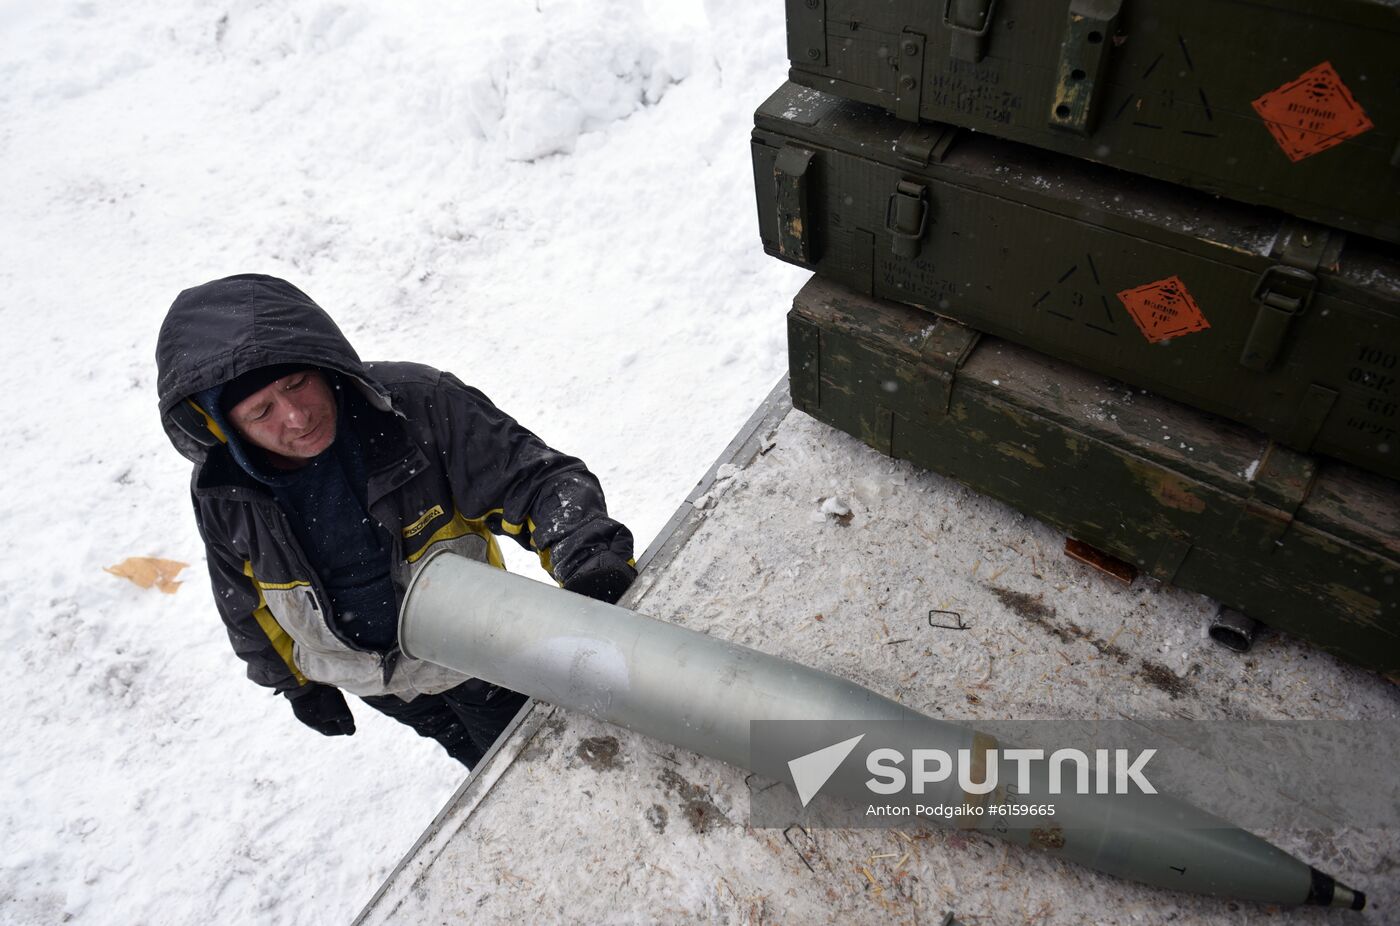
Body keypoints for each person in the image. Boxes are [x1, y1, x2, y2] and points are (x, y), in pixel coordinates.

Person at [155, 274, 636, 767]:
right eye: (262, 411)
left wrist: (588, 555)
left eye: (297, 383)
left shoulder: (416, 406)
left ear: (322, 362)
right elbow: (243, 596)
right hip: (374, 681)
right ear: (224, 428)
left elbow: (534, 483)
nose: (296, 417)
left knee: (531, 763)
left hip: (473, 654)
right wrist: (293, 685)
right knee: (469, 755)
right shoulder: (224, 491)